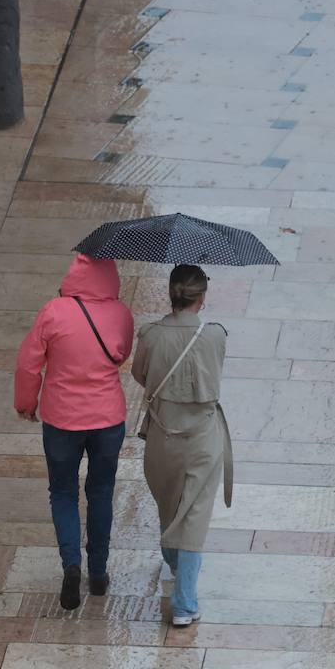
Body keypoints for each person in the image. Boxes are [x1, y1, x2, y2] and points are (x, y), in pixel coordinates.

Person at [14, 253, 135, 611]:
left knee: (63, 492)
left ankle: (71, 565)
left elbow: (28, 363)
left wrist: (25, 404)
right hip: (107, 418)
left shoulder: (53, 311)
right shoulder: (121, 314)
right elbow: (121, 353)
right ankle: (98, 572)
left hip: (62, 419)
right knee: (101, 492)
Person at [131, 264, 231, 627]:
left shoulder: (151, 335)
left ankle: (177, 571)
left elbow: (139, 374)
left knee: (169, 504)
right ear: (202, 298)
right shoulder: (216, 335)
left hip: (161, 434)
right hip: (203, 437)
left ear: (170, 295)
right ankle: (185, 602)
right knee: (194, 515)